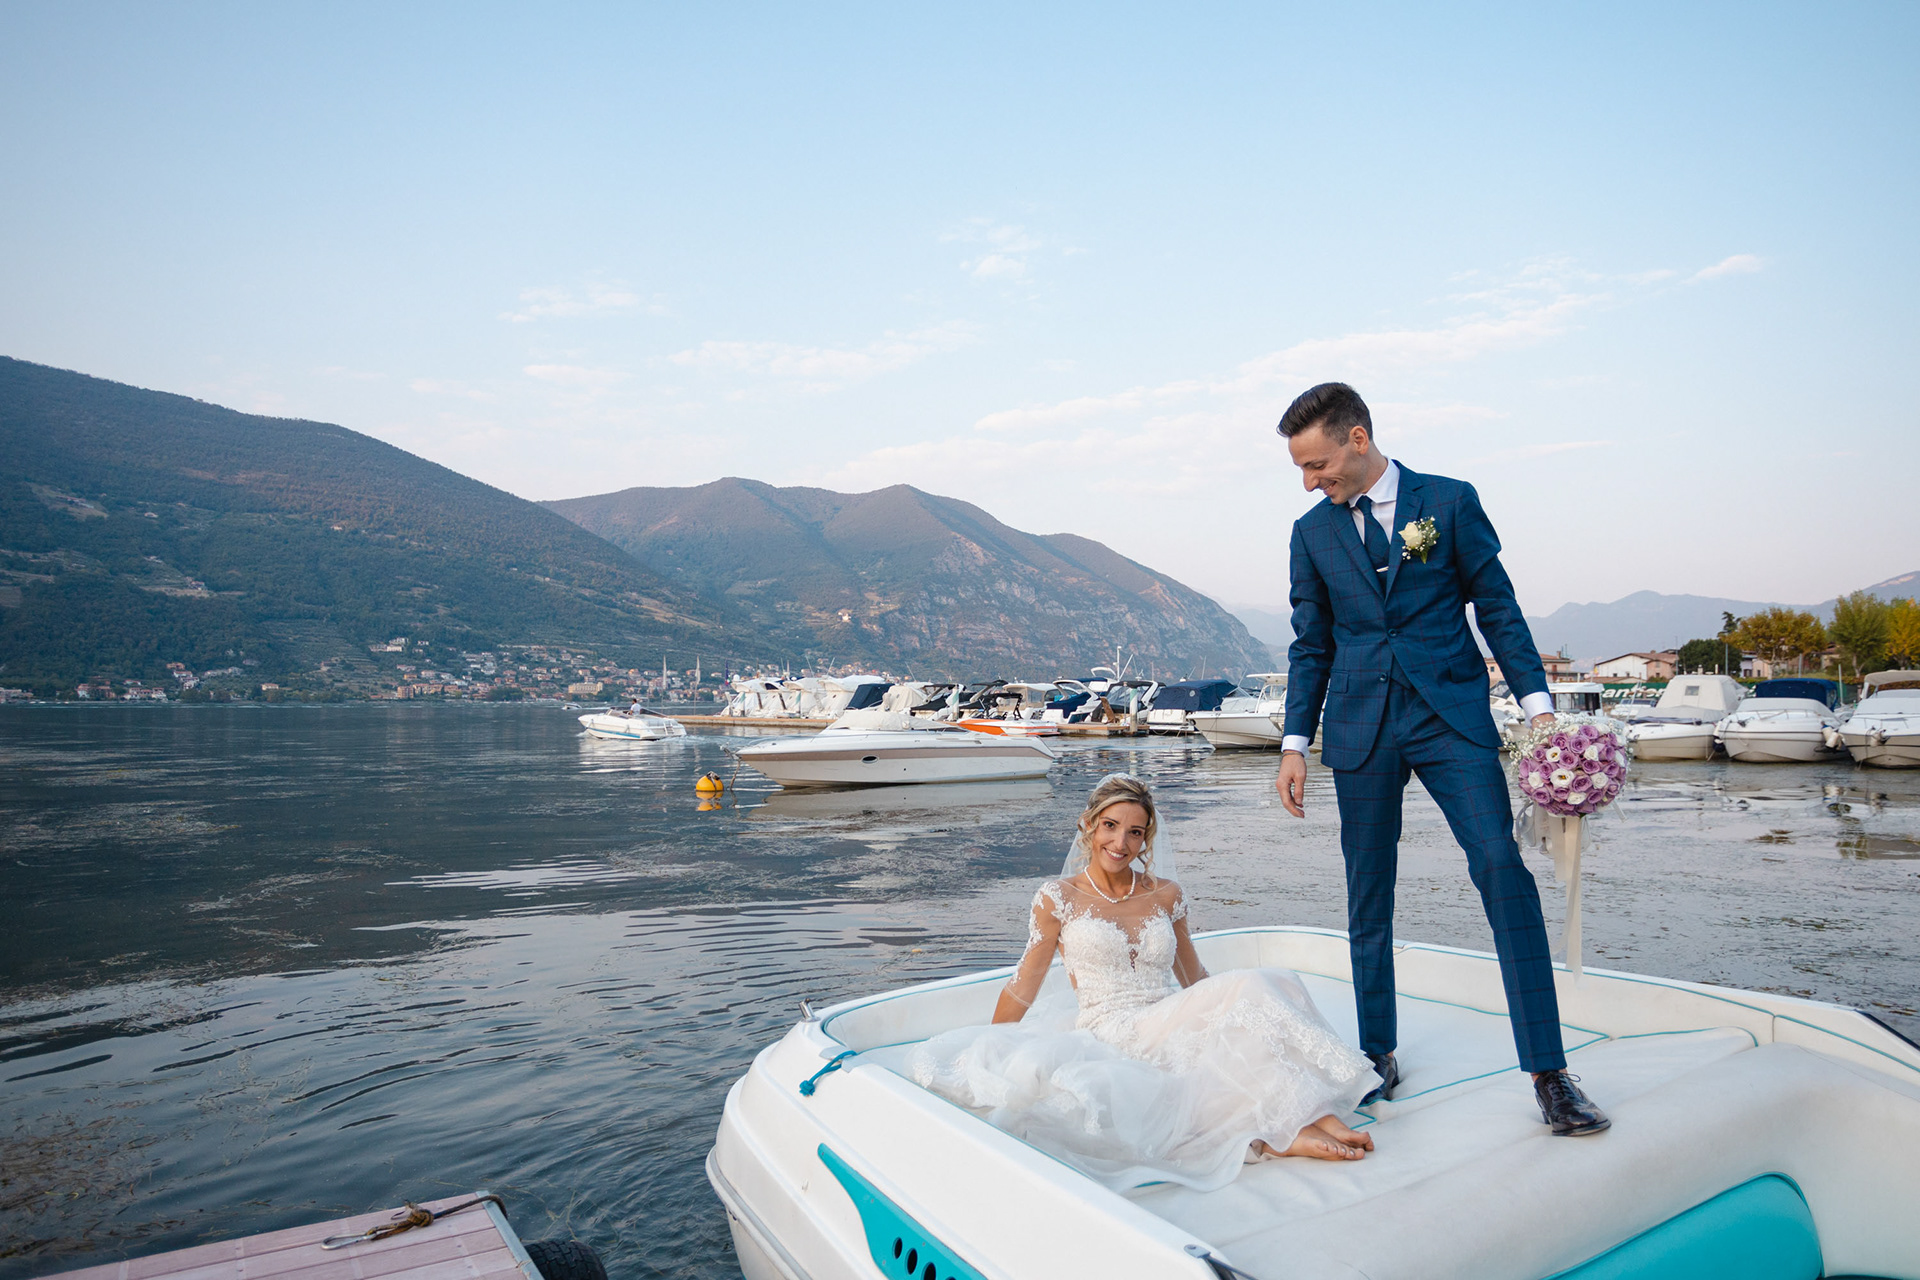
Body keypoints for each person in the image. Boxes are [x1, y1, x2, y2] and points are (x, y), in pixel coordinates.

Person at [1272, 382, 1609, 1136]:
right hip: (1360, 725)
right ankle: (1377, 1053)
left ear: (1358, 438)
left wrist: (1541, 711)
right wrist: (1294, 743)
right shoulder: (1310, 533)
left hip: (1450, 717)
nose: (1310, 482)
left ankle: (1550, 1073)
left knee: (1500, 864)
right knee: (1368, 891)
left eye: (1317, 464)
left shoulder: (1450, 502)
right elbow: (1311, 645)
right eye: (1301, 470)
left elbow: (1498, 608)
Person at [905, 774, 1378, 1192]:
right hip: (1109, 1028)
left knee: (1255, 1004)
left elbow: (1194, 978)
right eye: (1110, 826)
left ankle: (1304, 1117)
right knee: (1263, 983)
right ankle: (1293, 1129)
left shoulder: (1166, 894)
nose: (1121, 842)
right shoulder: (1058, 897)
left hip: (1164, 1016)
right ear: (1088, 826)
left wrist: (1228, 1014)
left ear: (1146, 838)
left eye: (1135, 832)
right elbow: (1023, 986)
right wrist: (992, 1044)